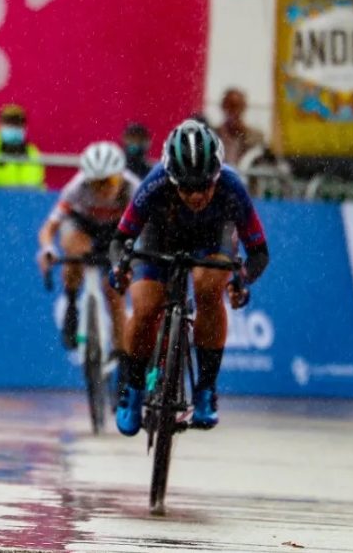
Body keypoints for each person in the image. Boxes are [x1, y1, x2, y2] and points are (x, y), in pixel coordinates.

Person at [108, 119, 269, 435]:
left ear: (217, 176)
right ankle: (134, 387)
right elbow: (120, 239)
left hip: (212, 239)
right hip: (160, 236)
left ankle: (205, 389)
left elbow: (259, 252)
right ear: (171, 179)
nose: (197, 196)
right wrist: (120, 267)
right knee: (145, 307)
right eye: (187, 187)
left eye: (205, 186)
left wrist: (242, 281)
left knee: (209, 288)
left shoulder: (233, 187)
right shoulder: (155, 183)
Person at [38, 141, 138, 362]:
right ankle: (72, 304)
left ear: (121, 176)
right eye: (96, 183)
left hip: (116, 232)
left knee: (114, 288)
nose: (103, 189)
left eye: (109, 181)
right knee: (75, 250)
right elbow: (49, 227)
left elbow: (149, 228)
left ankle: (122, 353)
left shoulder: (134, 189)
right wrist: (47, 249)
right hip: (82, 226)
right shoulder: (76, 188)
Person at [215, 88, 265, 168]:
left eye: (238, 106)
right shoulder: (213, 135)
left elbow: (259, 162)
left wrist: (244, 133)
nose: (235, 111)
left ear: (244, 108)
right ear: (223, 107)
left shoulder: (256, 137)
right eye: (231, 106)